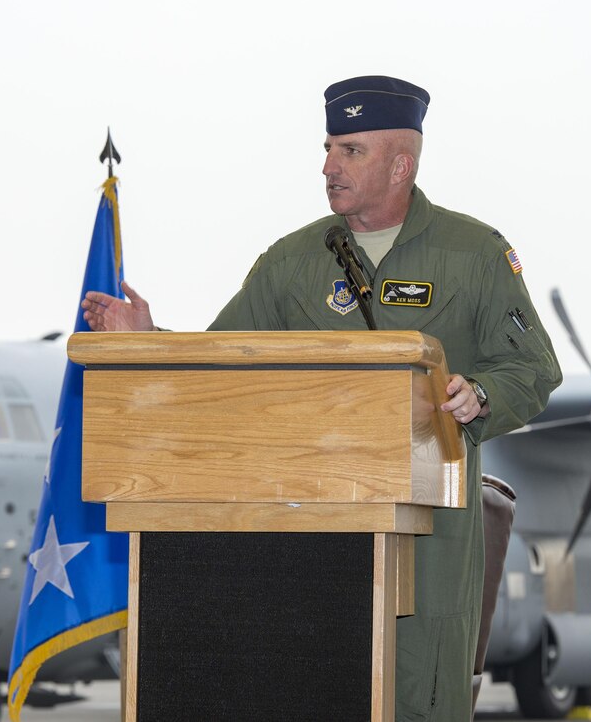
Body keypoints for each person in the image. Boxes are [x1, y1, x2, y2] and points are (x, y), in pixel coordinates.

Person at [82, 75, 562, 721]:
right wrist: (150, 340)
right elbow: (224, 365)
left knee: (419, 695)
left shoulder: (473, 254)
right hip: (307, 548)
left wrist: (481, 394)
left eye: (350, 151)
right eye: (329, 147)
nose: (329, 166)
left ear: (401, 163)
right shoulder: (293, 262)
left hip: (431, 538)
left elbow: (533, 367)